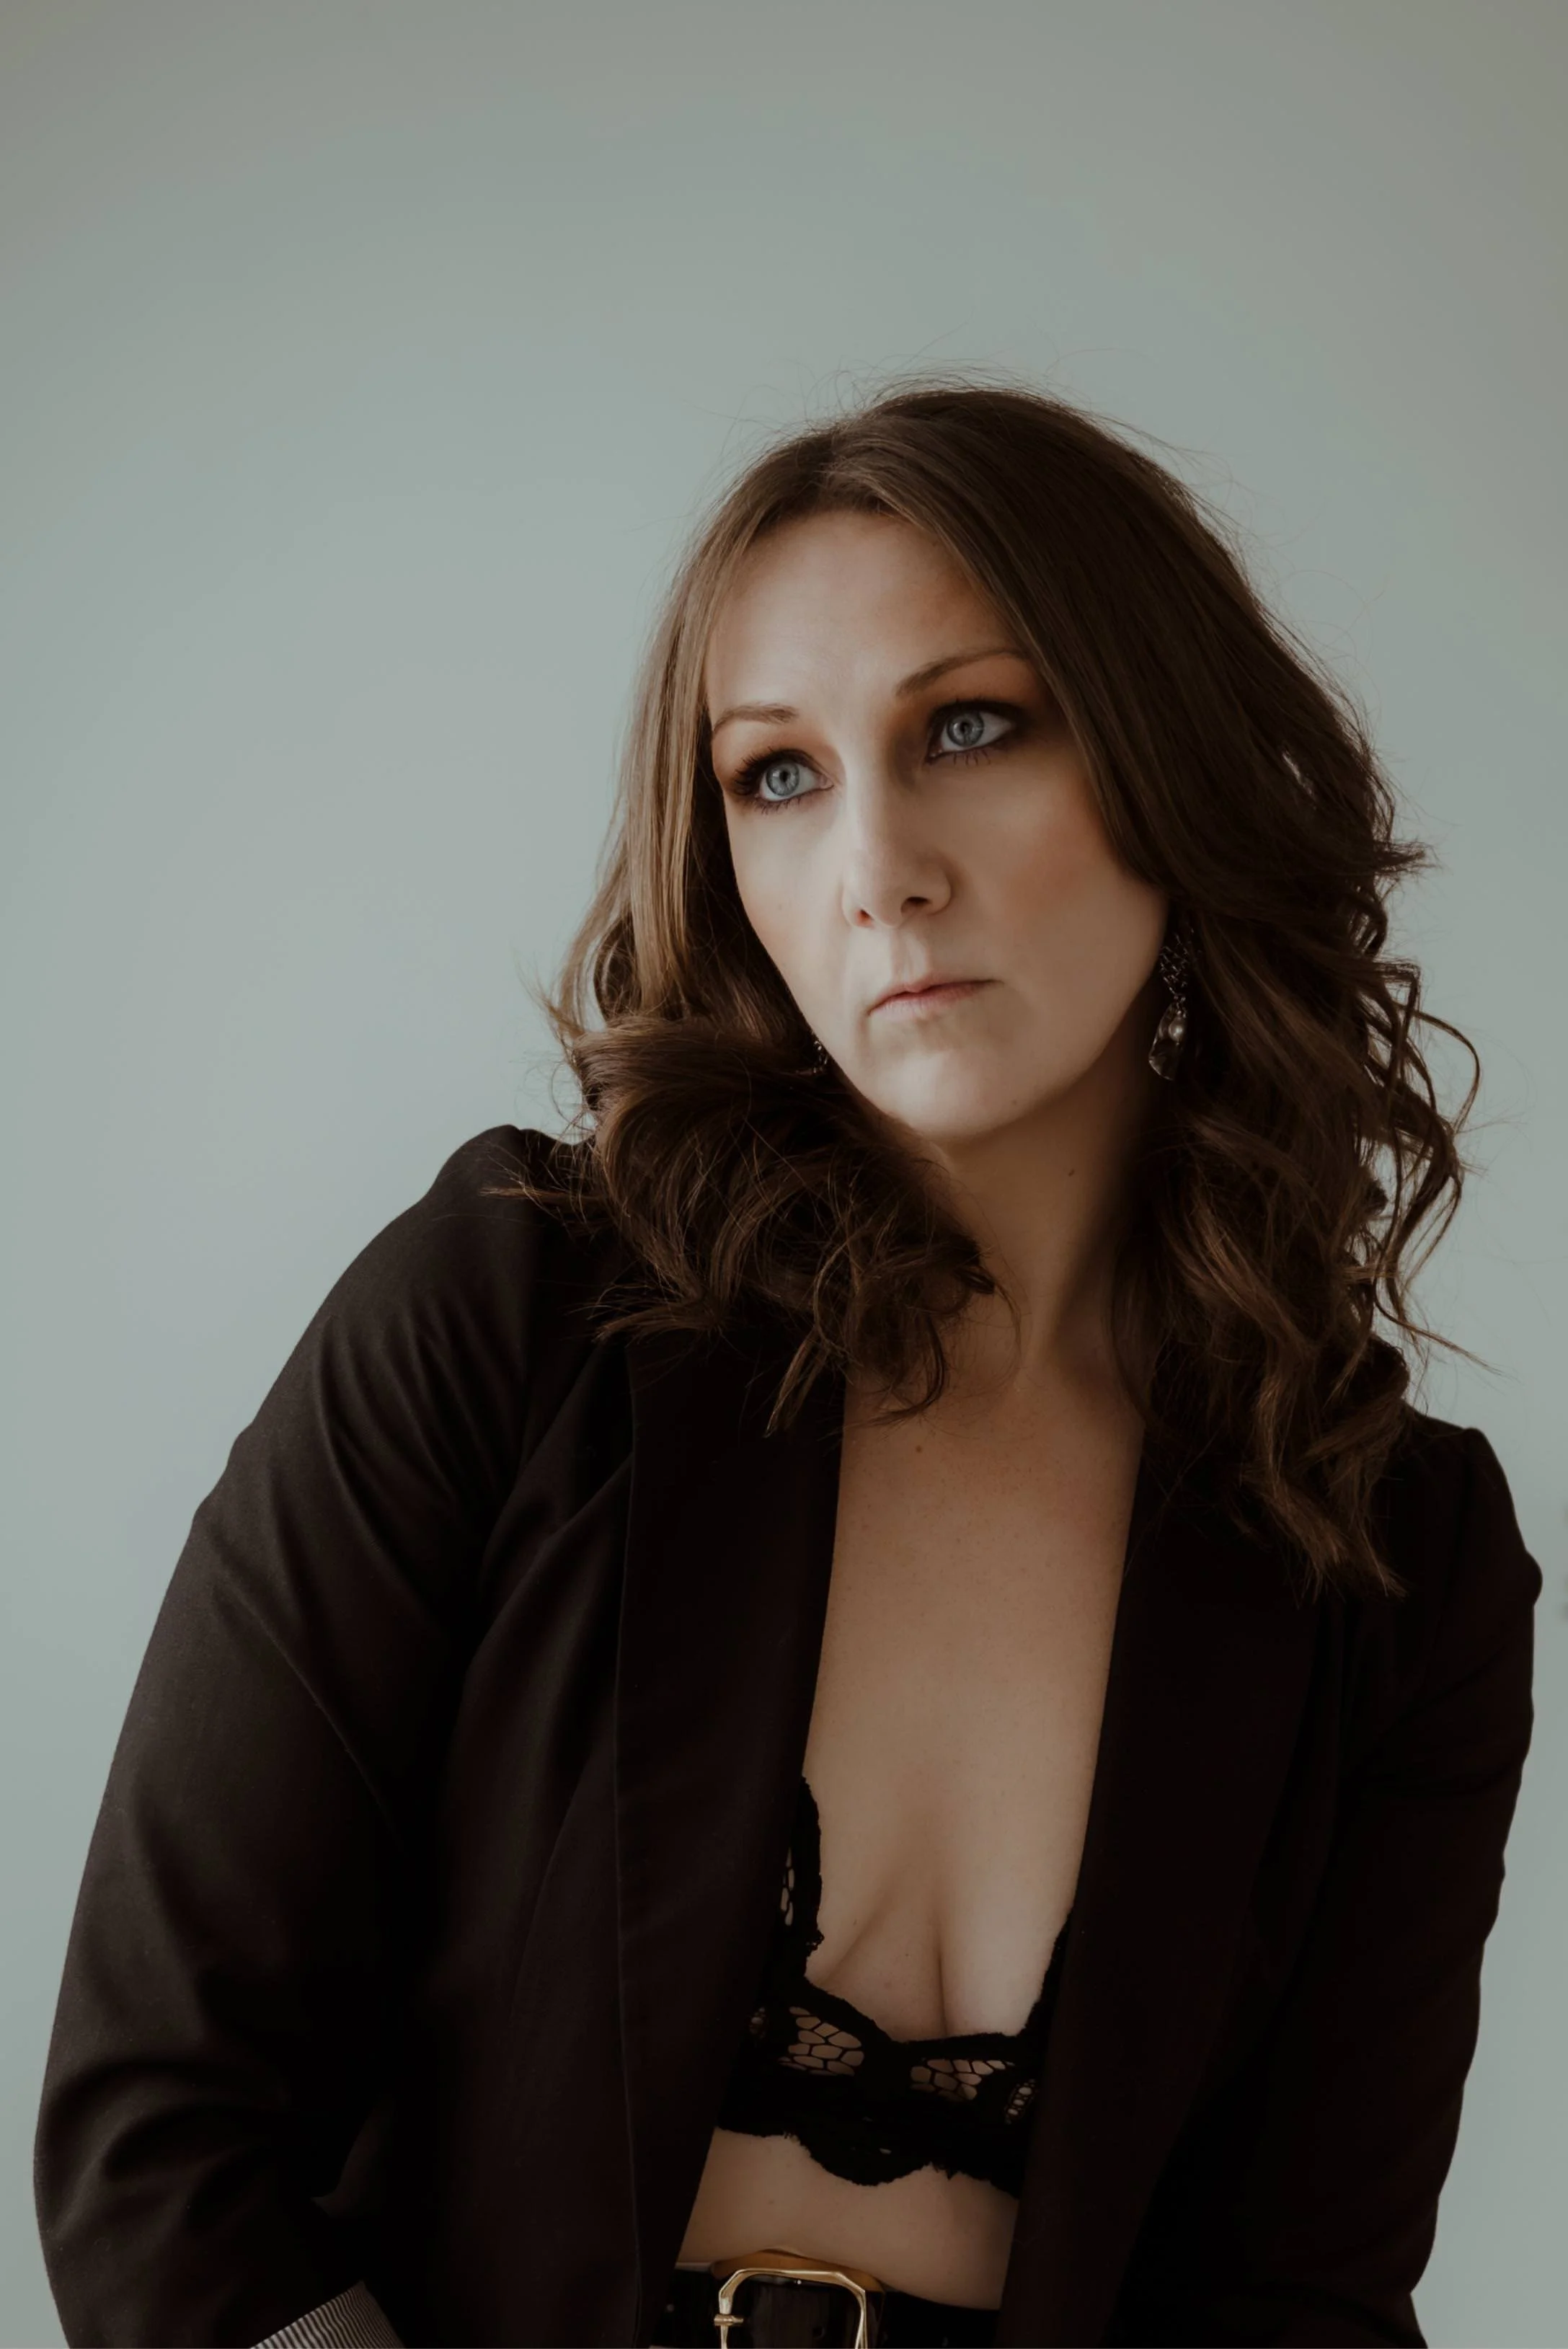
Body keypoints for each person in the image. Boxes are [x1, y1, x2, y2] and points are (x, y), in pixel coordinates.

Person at [35, 382, 1541, 2349]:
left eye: (970, 729)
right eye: (775, 775)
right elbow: (163, 2138)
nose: (878, 865)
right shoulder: (513, 1316)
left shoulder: (1392, 1556)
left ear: (1170, 754)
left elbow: (1299, 2304)